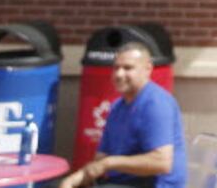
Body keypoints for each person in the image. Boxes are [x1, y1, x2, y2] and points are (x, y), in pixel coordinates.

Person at [58, 42, 185, 188]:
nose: (119, 74)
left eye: (128, 68)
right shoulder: (117, 107)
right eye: (116, 68)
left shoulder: (156, 104)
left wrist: (110, 163)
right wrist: (71, 181)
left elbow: (162, 162)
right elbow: (100, 159)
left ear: (147, 69)